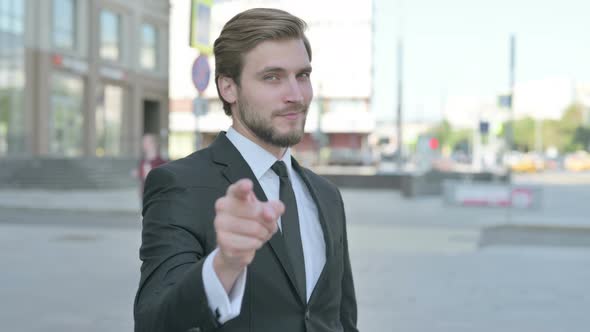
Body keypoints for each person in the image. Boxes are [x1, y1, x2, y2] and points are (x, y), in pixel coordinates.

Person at [134, 8, 358, 332]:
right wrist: (225, 264)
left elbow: (342, 319)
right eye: (272, 77)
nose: (295, 95)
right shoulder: (179, 184)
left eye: (303, 76)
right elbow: (154, 319)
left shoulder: (327, 196)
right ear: (229, 88)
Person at [135, 133, 167, 198]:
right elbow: (142, 179)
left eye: (147, 142)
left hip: (156, 196)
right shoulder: (143, 161)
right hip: (144, 194)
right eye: (143, 142)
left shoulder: (162, 162)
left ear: (154, 144)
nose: (144, 145)